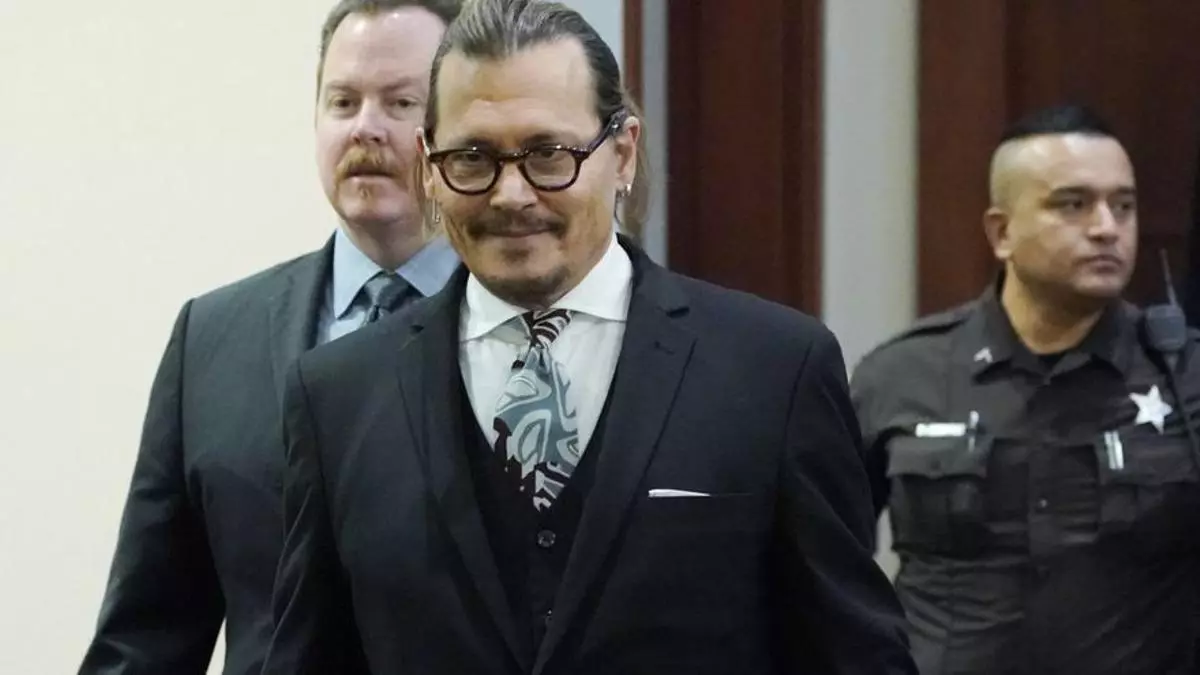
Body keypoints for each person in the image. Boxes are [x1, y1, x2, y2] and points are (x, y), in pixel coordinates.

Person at [260, 1, 916, 674]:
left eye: (549, 155)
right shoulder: (338, 399)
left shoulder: (774, 373)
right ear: (430, 165)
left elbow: (857, 656)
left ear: (622, 153)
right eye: (473, 158)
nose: (510, 194)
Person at [77, 2, 461, 674]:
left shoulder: (522, 332)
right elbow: (147, 633)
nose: (365, 127)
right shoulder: (212, 338)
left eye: (401, 103)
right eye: (342, 102)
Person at [852, 103, 1200, 674]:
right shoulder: (902, 374)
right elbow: (827, 573)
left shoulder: (1184, 373)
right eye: (1073, 204)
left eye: (1123, 205)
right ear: (1002, 232)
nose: (1106, 228)